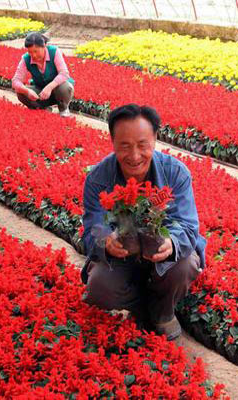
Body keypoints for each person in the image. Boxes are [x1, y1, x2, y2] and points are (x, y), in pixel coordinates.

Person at [81, 104, 206, 341]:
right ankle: (143, 304)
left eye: (142, 145)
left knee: (185, 264)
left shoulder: (176, 172)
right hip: (123, 259)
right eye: (125, 146)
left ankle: (162, 311)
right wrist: (105, 241)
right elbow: (92, 230)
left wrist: (172, 241)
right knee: (99, 287)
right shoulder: (98, 178)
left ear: (155, 139)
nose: (135, 155)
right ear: (112, 142)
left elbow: (189, 226)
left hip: (163, 258)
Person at [11, 32, 75, 117]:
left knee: (65, 87)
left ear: (44, 46)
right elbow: (15, 81)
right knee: (21, 93)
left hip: (58, 90)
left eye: (36, 51)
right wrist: (27, 91)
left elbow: (64, 73)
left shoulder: (54, 52)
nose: (33, 55)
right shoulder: (26, 59)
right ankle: (43, 108)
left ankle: (63, 108)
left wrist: (50, 87)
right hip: (40, 93)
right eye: (30, 52)